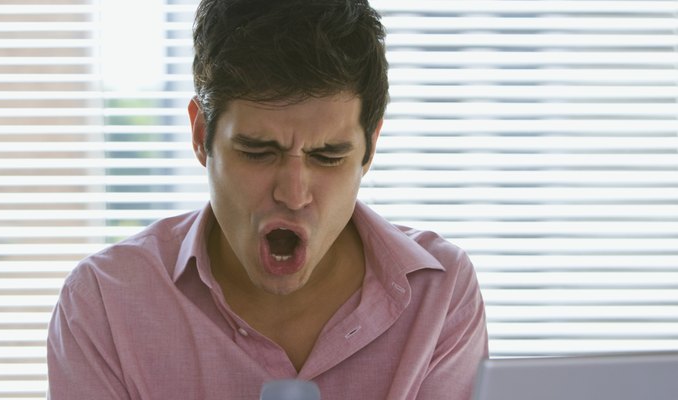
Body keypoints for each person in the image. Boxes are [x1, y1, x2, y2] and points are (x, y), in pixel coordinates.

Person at [46, 0, 488, 398]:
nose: (293, 195)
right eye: (258, 152)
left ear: (370, 147)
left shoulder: (440, 294)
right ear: (202, 137)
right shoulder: (105, 304)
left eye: (328, 156)